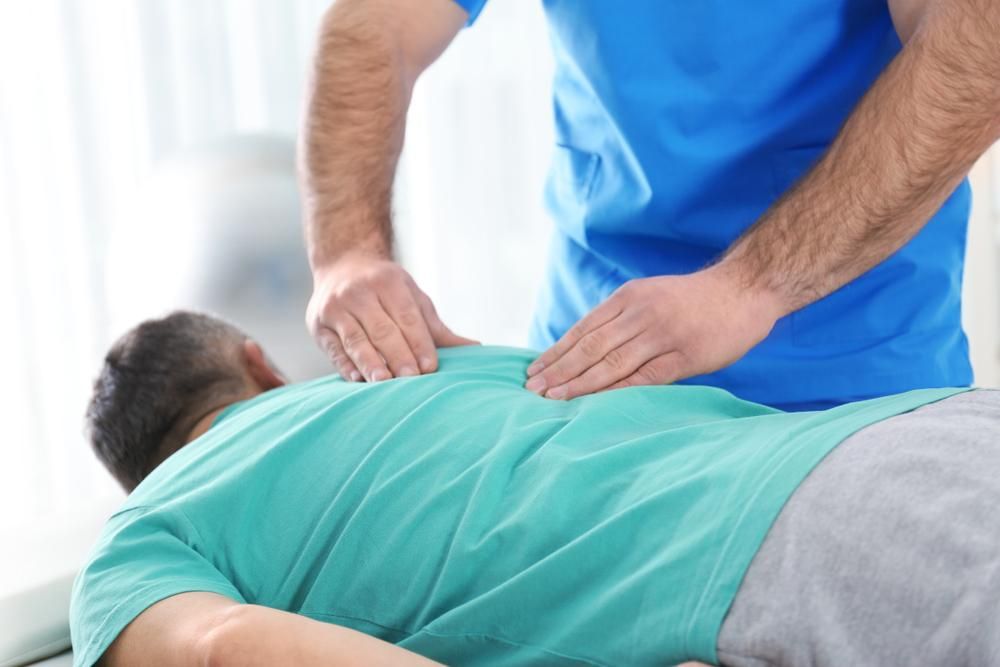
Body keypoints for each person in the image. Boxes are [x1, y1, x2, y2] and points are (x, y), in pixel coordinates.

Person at [72, 311, 1000, 666]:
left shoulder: (141, 532)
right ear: (260, 364)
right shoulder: (426, 368)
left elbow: (222, 647)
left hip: (795, 558)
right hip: (915, 435)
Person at [299, 0, 1000, 411]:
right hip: (594, 371)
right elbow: (375, 26)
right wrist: (347, 251)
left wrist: (752, 285)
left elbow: (976, 50)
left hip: (849, 380)